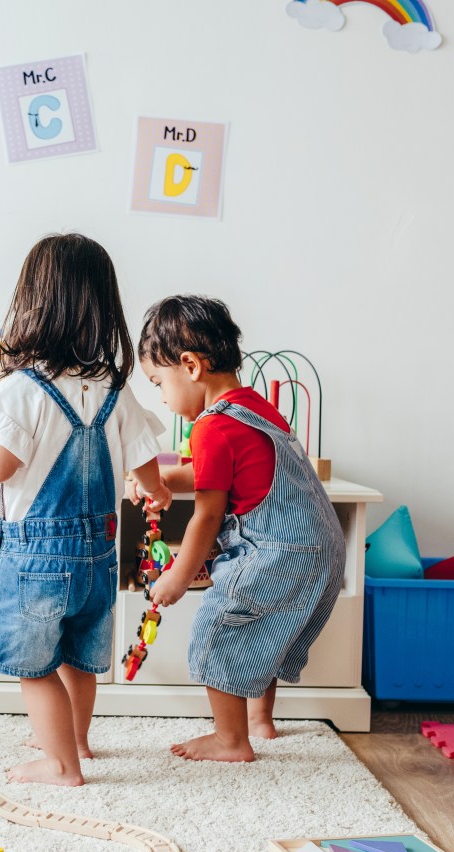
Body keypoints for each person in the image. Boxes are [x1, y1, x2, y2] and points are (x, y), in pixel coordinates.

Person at [0, 233, 169, 786]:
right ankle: (78, 742)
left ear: (33, 304)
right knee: (78, 656)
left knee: (35, 666)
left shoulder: (24, 388)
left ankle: (60, 764)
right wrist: (150, 491)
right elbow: (148, 470)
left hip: (38, 555)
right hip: (99, 553)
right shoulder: (115, 388)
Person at [132, 295, 345, 762]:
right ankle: (259, 720)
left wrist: (179, 576)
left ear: (189, 366)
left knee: (218, 626)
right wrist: (164, 478)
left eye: (158, 384)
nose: (163, 399)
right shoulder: (254, 409)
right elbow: (220, 472)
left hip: (280, 549)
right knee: (261, 630)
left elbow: (207, 514)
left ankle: (231, 741)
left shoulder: (209, 428)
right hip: (321, 547)